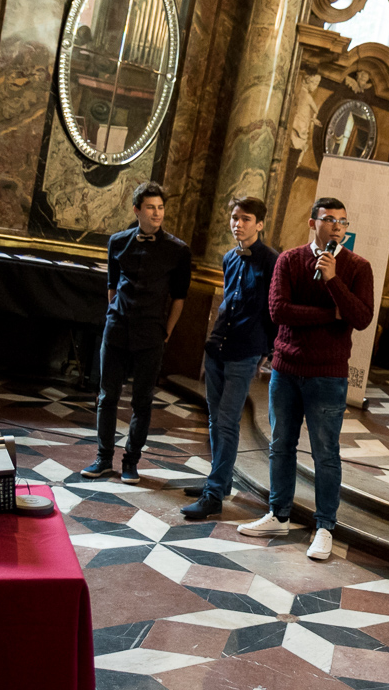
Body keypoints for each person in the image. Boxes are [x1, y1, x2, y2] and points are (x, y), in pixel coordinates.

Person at [238, 197, 374, 560]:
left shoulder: (358, 267)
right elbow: (279, 311)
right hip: (286, 369)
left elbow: (361, 318)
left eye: (342, 221)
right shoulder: (289, 260)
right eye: (329, 219)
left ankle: (325, 527)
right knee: (281, 445)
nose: (337, 226)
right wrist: (331, 314)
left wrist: (333, 280)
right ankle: (278, 514)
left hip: (327, 375)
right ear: (313, 223)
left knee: (325, 453)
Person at [83, 182, 191, 484]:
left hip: (151, 333)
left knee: (142, 401)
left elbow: (179, 298)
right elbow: (112, 286)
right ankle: (103, 459)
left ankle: (131, 462)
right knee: (107, 396)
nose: (157, 213)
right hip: (117, 329)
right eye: (150, 207)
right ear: (137, 210)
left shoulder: (178, 250)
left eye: (161, 207)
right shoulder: (117, 242)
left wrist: (166, 333)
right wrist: (114, 316)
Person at [181, 196, 279, 520]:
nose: (238, 223)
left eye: (246, 218)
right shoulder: (228, 258)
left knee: (227, 421)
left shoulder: (271, 261)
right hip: (217, 347)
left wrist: (267, 351)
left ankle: (213, 496)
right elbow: (229, 302)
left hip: (245, 351)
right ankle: (219, 482)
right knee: (214, 419)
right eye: (235, 217)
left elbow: (273, 311)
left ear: (259, 224)